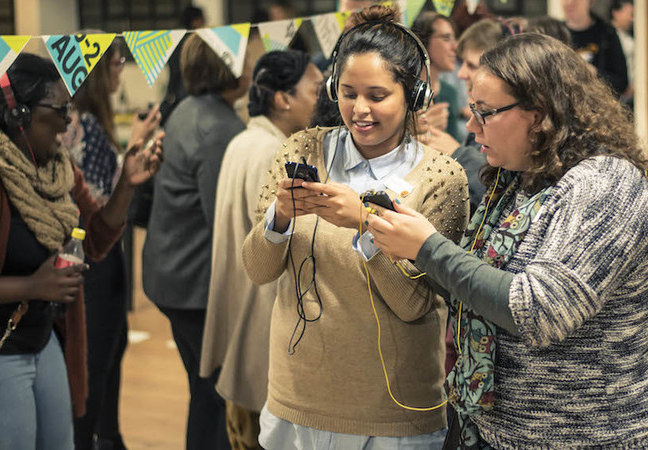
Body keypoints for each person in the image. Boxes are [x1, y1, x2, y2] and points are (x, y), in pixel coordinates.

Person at [367, 33, 648, 449]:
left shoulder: (605, 185)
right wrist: (403, 244)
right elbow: (477, 287)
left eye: (486, 113)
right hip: (501, 431)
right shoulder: (519, 175)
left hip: (590, 435)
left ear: (540, 114)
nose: (471, 126)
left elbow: (539, 311)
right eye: (473, 111)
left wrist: (428, 247)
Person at [0, 53, 162, 449]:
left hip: (40, 341)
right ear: (18, 113)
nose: (67, 121)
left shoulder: (57, 169)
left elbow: (91, 239)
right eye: (60, 109)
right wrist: (32, 285)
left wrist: (126, 186)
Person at [243, 5, 468, 449]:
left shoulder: (442, 177)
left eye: (377, 95)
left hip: (393, 413)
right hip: (298, 397)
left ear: (414, 96)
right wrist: (282, 216)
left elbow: (414, 304)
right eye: (348, 93)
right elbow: (257, 268)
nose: (359, 110)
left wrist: (365, 223)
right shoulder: (303, 148)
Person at [200, 49, 322, 450]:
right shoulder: (274, 153)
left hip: (241, 304)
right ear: (282, 98)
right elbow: (275, 249)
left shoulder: (244, 139)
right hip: (261, 314)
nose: (324, 100)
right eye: (316, 90)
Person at [142, 32, 251, 450]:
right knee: (217, 395)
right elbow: (222, 217)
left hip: (168, 274)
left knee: (203, 392)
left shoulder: (188, 108)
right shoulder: (220, 128)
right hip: (191, 283)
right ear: (230, 68)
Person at [65, 37, 161, 450]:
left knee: (111, 348)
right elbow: (100, 201)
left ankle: (109, 436)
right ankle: (93, 439)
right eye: (116, 61)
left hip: (98, 257)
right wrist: (136, 146)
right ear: (95, 72)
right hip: (92, 259)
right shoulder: (81, 123)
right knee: (96, 358)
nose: (120, 67)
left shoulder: (84, 121)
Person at [412, 11, 462, 144]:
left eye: (454, 38)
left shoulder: (449, 92)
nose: (455, 47)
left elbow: (453, 149)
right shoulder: (402, 90)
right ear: (423, 42)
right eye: (446, 38)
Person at [562, 0, 628, 96]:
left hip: (599, 104)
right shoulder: (555, 33)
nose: (569, 3)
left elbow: (622, 83)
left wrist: (594, 73)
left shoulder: (607, 33)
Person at [610, 0, 635, 107]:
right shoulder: (607, 37)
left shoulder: (629, 38)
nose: (632, 19)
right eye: (630, 14)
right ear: (616, 13)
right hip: (615, 93)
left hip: (629, 95)